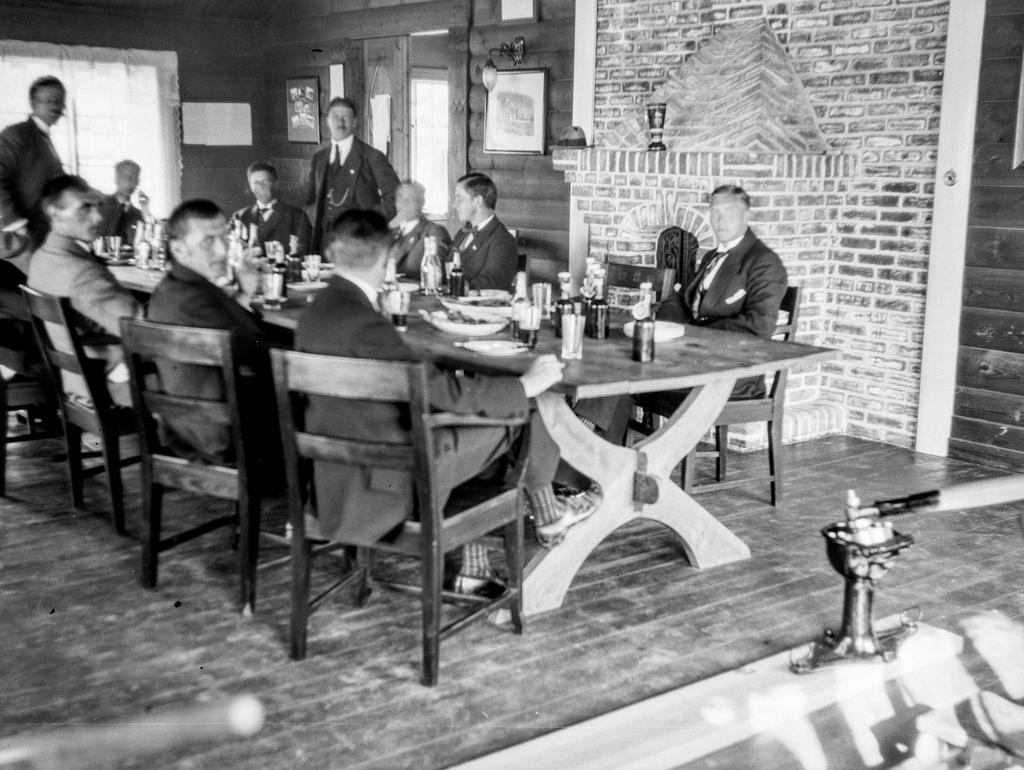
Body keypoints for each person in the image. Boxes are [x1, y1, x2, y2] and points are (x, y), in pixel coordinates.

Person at [295, 209, 596, 597]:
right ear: (386, 258)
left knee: (489, 424)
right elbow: (443, 394)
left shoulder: (315, 312)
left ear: (331, 254)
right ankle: (545, 517)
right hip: (389, 481)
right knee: (521, 416)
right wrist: (523, 386)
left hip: (331, 475)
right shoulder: (367, 327)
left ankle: (493, 554)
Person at [147, 199, 280, 471]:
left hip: (187, 427)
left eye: (224, 238)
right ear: (178, 248)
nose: (222, 250)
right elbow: (258, 348)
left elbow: (234, 333)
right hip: (221, 437)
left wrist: (243, 293)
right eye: (208, 241)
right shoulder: (195, 300)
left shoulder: (173, 287)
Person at [26, 174, 144, 407]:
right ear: (55, 213)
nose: (98, 217)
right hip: (109, 386)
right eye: (85, 208)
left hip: (76, 380)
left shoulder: (42, 257)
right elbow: (141, 328)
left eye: (98, 206)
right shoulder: (80, 272)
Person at [305, 97, 401, 254]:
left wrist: (369, 221)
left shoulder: (372, 157)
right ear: (327, 121)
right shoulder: (319, 159)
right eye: (335, 117)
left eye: (346, 117)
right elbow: (310, 200)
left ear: (355, 122)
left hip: (361, 242)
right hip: (324, 244)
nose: (340, 122)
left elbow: (396, 197)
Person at [0, 76, 67, 250]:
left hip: (43, 235)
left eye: (60, 101)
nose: (56, 106)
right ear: (33, 103)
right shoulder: (15, 135)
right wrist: (17, 225)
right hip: (21, 237)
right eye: (49, 100)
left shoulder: (44, 138)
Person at [450, 173, 517, 291]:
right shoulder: (462, 233)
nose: (454, 205)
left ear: (478, 201)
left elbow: (490, 284)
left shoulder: (503, 241)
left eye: (459, 198)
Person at [232, 161, 312, 258]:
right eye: (256, 183)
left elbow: (305, 253)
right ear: (251, 187)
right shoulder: (240, 217)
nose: (261, 187)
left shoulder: (297, 216)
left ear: (275, 184)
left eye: (265, 181)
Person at [388, 181, 451, 280]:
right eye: (399, 199)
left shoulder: (433, 232)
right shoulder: (390, 232)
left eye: (407, 200)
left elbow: (435, 273)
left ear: (420, 203)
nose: (402, 204)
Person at [99, 159, 152, 243]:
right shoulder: (101, 205)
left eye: (134, 178)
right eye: (124, 177)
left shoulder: (139, 215)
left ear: (138, 182)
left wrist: (145, 209)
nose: (129, 181)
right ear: (116, 179)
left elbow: (150, 239)